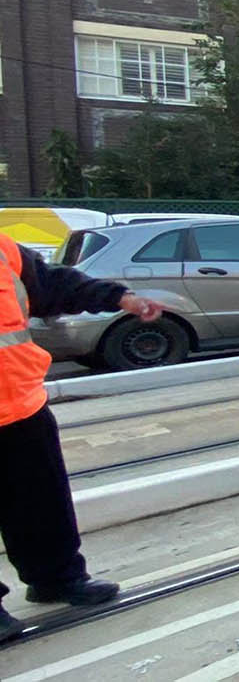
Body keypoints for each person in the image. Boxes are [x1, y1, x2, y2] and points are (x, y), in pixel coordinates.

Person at [1, 233, 165, 640]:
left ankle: (56, 578)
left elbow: (56, 285)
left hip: (21, 402)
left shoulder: (4, 249)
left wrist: (121, 298)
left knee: (41, 502)